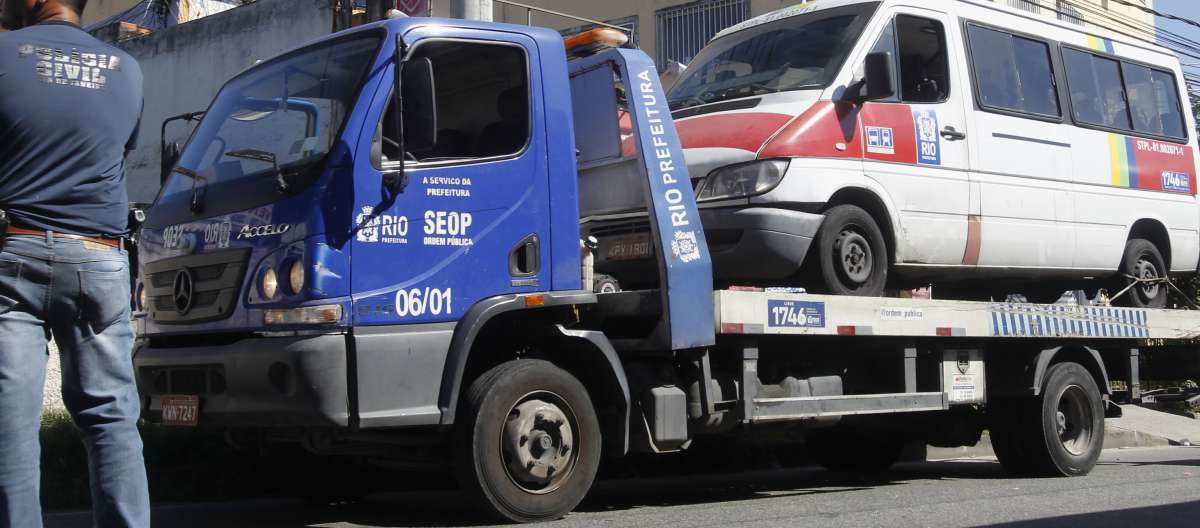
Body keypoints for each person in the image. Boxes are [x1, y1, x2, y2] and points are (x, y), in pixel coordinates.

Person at [0, 0, 149, 526]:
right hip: (101, 258)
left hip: (12, 254)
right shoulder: (127, 71)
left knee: (10, 428)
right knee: (112, 419)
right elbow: (109, 153)